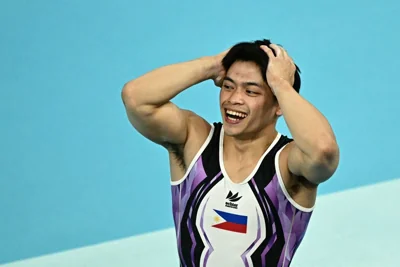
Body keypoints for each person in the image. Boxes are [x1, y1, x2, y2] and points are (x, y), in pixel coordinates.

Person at [121, 39, 340, 267]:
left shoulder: (287, 163)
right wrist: (213, 65)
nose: (234, 99)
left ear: (278, 105)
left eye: (251, 91)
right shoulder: (194, 142)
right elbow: (136, 99)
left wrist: (281, 84)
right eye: (228, 86)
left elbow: (324, 151)